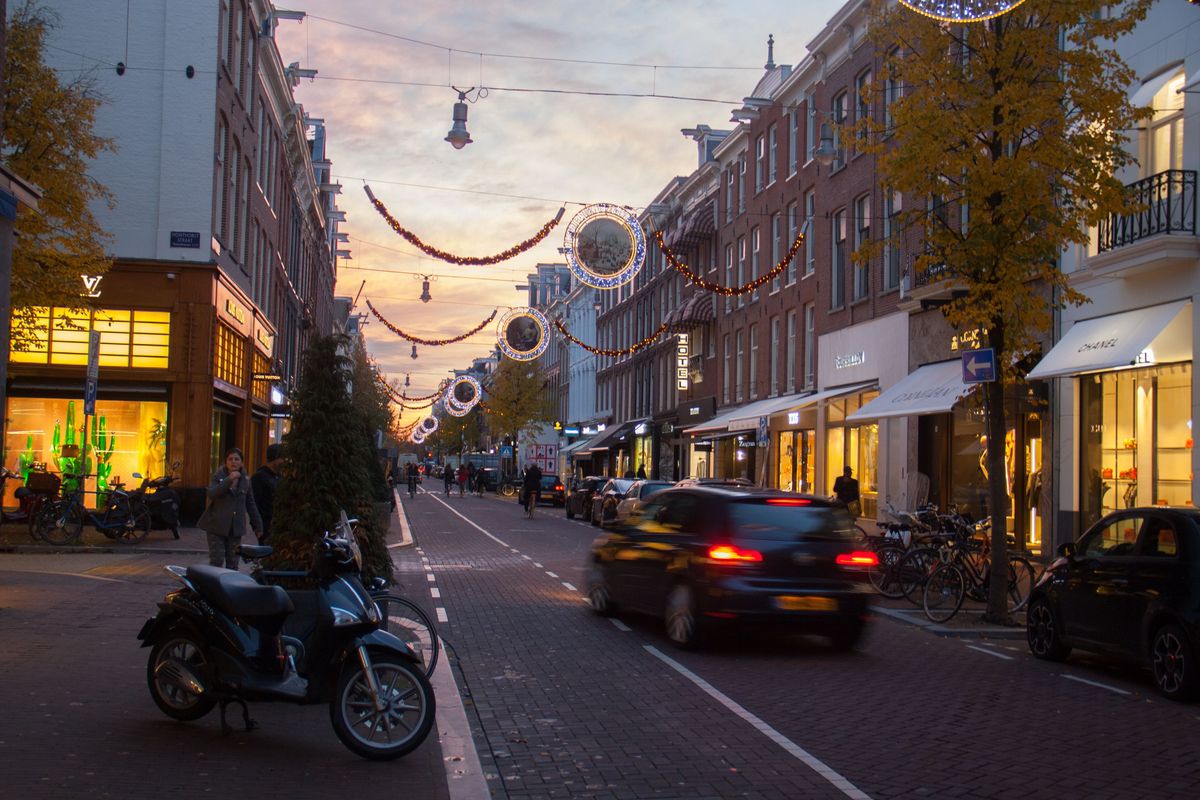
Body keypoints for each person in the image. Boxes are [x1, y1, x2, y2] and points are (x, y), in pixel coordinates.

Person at [197, 447, 262, 570]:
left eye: (237, 459)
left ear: (242, 462)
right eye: (230, 459)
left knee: (233, 563)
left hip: (235, 528)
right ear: (225, 462)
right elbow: (212, 493)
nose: (233, 462)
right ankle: (214, 587)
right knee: (217, 560)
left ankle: (229, 587)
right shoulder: (218, 477)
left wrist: (258, 525)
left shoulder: (246, 481)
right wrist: (229, 480)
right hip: (216, 526)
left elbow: (251, 504)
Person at [250, 443, 283, 545]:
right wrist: (256, 526)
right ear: (275, 459)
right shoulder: (259, 477)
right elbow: (254, 503)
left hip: (278, 523)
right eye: (282, 458)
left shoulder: (280, 476)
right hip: (266, 524)